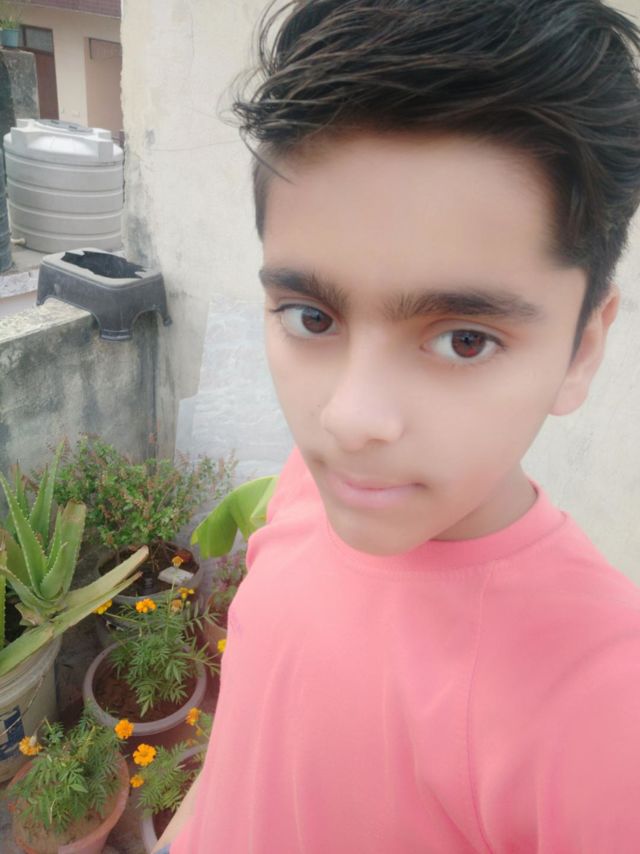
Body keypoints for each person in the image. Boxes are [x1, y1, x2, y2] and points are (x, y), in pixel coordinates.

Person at [159, 1, 640, 850]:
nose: (349, 419)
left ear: (583, 347)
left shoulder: (605, 706)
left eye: (464, 340)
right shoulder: (311, 490)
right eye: (312, 318)